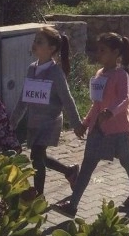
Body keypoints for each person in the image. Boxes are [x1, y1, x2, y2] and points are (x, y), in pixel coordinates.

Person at [53, 32, 129, 216]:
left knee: (127, 162)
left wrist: (110, 112)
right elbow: (96, 104)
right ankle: (73, 205)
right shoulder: (99, 74)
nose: (98, 53)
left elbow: (124, 100)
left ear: (115, 52)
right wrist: (85, 123)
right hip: (98, 130)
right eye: (98, 49)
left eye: (103, 50)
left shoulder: (121, 75)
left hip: (118, 131)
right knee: (86, 167)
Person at [9, 26, 82, 198]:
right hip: (34, 122)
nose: (34, 44)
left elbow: (67, 99)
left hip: (50, 122)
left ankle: (39, 196)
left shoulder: (56, 72)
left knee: (36, 156)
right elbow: (23, 99)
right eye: (35, 40)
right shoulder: (31, 69)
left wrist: (77, 124)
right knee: (40, 157)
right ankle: (70, 171)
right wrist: (11, 122)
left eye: (40, 42)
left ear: (52, 48)